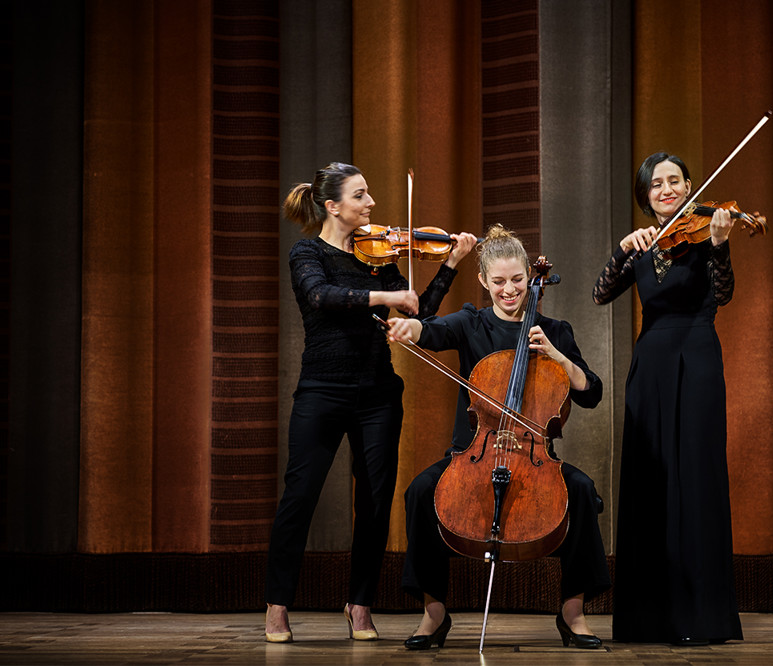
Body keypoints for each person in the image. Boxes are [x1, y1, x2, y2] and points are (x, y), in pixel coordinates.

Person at [264, 162, 477, 643]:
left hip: (378, 393)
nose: (372, 204)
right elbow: (322, 297)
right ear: (333, 205)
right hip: (321, 390)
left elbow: (415, 309)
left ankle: (360, 604)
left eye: (370, 195)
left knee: (376, 501)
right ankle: (277, 605)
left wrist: (449, 265)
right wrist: (385, 292)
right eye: (361, 196)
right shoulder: (307, 253)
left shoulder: (379, 256)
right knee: (300, 497)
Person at [385, 224, 610, 650]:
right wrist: (406, 329)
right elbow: (428, 331)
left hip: (534, 456)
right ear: (484, 281)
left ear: (531, 276)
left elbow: (591, 393)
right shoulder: (471, 322)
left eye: (518, 280)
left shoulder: (555, 331)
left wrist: (558, 356)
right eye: (500, 282)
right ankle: (434, 613)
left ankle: (573, 613)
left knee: (580, 490)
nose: (510, 290)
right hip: (472, 453)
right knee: (420, 492)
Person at [592, 152, 742, 645]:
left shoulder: (704, 234)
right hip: (650, 364)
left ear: (689, 185)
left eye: (674, 181)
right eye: (655, 185)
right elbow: (600, 293)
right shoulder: (640, 246)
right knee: (650, 479)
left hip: (696, 357)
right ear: (645, 196)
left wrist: (719, 246)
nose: (665, 190)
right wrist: (620, 250)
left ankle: (702, 617)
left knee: (696, 476)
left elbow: (722, 295)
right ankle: (647, 618)